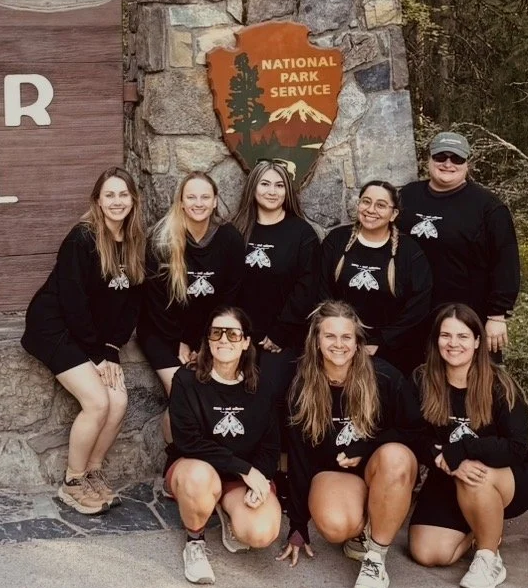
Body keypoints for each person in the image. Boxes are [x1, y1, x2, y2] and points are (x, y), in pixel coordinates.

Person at [278, 301, 424, 588]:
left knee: (395, 456)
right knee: (335, 526)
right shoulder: (301, 384)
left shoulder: (384, 377)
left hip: (380, 469)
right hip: (336, 474)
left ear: (358, 343)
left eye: (347, 337)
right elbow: (299, 456)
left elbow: (416, 432)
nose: (339, 344)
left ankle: (375, 558)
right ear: (316, 341)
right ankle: (367, 527)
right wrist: (297, 524)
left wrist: (369, 446)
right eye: (330, 336)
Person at [22, 166, 146, 516]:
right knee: (97, 402)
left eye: (123, 194)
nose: (117, 201)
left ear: (133, 200)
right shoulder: (82, 239)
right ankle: (72, 483)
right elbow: (73, 303)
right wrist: (96, 353)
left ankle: (92, 473)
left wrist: (110, 348)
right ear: (97, 200)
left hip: (95, 339)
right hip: (55, 327)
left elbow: (132, 305)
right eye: (109, 195)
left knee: (118, 402)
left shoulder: (135, 241)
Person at [408, 303, 528, 588]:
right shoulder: (423, 379)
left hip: (511, 474)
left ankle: (488, 557)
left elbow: (516, 447)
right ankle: (480, 526)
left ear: (476, 341)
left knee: (476, 474)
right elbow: (413, 433)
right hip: (450, 473)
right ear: (436, 340)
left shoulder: (500, 385)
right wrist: (438, 456)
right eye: (446, 336)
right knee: (428, 553)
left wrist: (463, 451)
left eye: (462, 336)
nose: (453, 343)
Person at [164, 306, 286, 585]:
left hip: (239, 479)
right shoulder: (186, 380)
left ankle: (225, 509)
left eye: (233, 334)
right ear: (207, 339)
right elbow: (188, 442)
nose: (223, 340)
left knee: (261, 533)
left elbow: (270, 445)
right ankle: (195, 541)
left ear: (245, 342)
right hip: (196, 468)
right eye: (216, 333)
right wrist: (244, 469)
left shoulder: (262, 386)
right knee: (198, 477)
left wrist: (262, 478)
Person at [397, 131, 520, 360]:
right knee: (415, 382)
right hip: (412, 314)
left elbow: (506, 262)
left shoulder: (489, 208)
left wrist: (497, 316)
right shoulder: (407, 196)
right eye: (440, 157)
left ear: (467, 164)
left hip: (466, 319)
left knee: (470, 386)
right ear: (429, 160)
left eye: (456, 158)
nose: (447, 164)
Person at [139, 171, 246, 417]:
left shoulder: (230, 239)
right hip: (163, 331)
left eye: (205, 197)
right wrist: (179, 340)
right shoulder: (161, 239)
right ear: (181, 202)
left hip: (209, 333)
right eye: (192, 197)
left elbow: (229, 297)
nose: (199, 203)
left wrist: (205, 341)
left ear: (215, 201)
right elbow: (156, 301)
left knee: (211, 395)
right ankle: (178, 455)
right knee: (181, 392)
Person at [317, 181, 432, 374]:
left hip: (390, 351)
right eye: (366, 202)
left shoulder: (409, 252)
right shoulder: (336, 241)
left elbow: (419, 305)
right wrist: (344, 338)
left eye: (380, 205)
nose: (371, 210)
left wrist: (380, 341)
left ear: (394, 213)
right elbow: (320, 288)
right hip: (338, 345)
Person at [231, 159, 319, 371]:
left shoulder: (302, 234)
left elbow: (307, 289)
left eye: (279, 185)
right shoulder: (236, 231)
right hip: (237, 338)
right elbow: (227, 286)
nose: (272, 191)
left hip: (282, 341)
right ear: (252, 188)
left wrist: (281, 333)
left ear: (287, 191)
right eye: (265, 184)